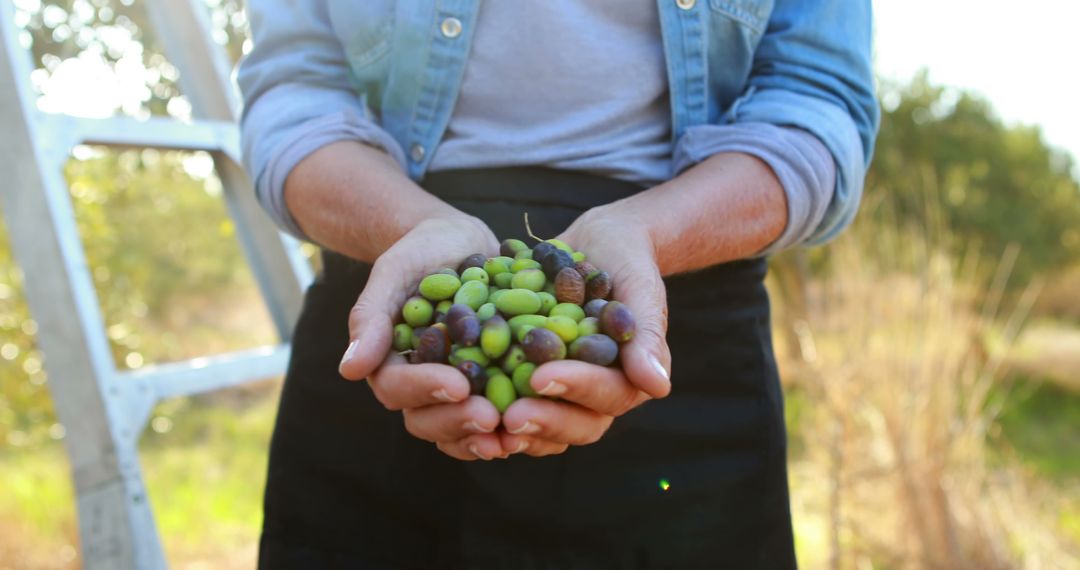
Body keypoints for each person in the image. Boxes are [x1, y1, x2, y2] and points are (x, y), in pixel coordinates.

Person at [238, 1, 877, 568]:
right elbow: (293, 95)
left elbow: (818, 105)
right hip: (392, 272)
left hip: (683, 285)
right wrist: (411, 223)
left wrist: (650, 234)